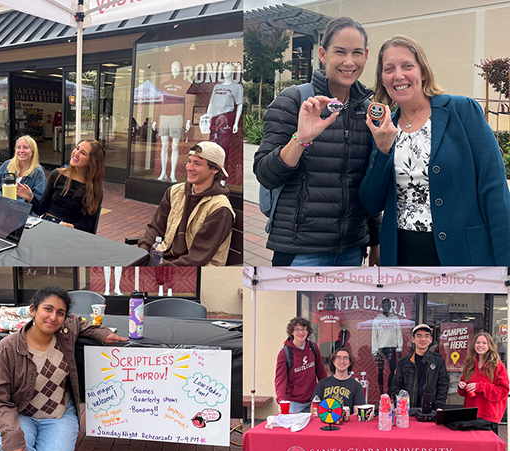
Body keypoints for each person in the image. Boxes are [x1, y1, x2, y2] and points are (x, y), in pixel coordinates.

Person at [360, 35, 510, 266]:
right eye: (389, 69)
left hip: (463, 257)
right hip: (401, 259)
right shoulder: (383, 128)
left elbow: (494, 189)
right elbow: (372, 203)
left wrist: (506, 263)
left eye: (407, 66)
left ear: (422, 72)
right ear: (382, 79)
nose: (398, 75)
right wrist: (382, 150)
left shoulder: (461, 111)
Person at [0, 286, 127, 451]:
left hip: (60, 413)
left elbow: (81, 323)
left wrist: (103, 334)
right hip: (22, 413)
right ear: (33, 310)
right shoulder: (8, 348)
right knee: (16, 443)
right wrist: (12, 436)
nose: (53, 317)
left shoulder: (65, 331)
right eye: (47, 309)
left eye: (60, 312)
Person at [254, 17, 379, 267]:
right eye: (339, 52)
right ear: (322, 54)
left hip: (352, 250)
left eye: (356, 53)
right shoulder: (294, 101)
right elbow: (266, 174)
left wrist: (375, 242)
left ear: (365, 56)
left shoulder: (368, 111)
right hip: (300, 251)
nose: (349, 62)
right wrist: (300, 139)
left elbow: (368, 185)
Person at [138, 141, 234, 266]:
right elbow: (156, 227)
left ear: (215, 169)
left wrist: (159, 267)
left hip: (191, 269)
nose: (189, 167)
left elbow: (198, 257)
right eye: (189, 161)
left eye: (197, 163)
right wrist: (142, 252)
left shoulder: (220, 208)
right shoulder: (174, 191)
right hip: (162, 259)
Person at [17, 140, 104, 234]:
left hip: (69, 233)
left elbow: (86, 226)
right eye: (77, 148)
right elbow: (41, 209)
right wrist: (31, 198)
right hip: (46, 224)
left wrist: (70, 226)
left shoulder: (94, 189)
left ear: (92, 161)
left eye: (83, 153)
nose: (76, 153)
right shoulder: (57, 175)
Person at [457, 332, 508, 434]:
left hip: (488, 416)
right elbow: (462, 392)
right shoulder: (470, 364)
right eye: (478, 342)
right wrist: (461, 387)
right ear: (473, 345)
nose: (480, 345)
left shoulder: (497, 365)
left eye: (484, 343)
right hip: (470, 415)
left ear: (489, 346)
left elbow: (503, 391)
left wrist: (480, 387)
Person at [389, 324, 449, 410]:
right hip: (407, 411)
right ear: (413, 339)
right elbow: (396, 386)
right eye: (419, 336)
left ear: (430, 340)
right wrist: (399, 405)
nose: (423, 339)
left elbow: (443, 386)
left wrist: (439, 407)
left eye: (426, 336)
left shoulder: (438, 361)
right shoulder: (404, 362)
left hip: (431, 411)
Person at [274, 317, 326, 413]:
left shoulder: (313, 347)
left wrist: (326, 391)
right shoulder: (285, 353)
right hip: (294, 401)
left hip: (313, 399)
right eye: (297, 329)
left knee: (314, 426)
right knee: (294, 427)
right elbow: (280, 379)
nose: (301, 333)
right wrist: (281, 400)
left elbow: (321, 372)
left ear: (308, 331)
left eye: (303, 329)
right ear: (292, 332)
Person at [0, 135, 46, 204]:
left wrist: (27, 198)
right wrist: (2, 199)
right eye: (18, 147)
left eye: (25, 147)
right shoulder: (7, 165)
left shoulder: (38, 172)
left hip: (23, 212)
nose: (21, 151)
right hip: (2, 209)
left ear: (33, 151)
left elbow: (40, 200)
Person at [312, 347, 366, 412]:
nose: (342, 361)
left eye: (345, 358)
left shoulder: (357, 386)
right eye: (338, 358)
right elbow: (313, 410)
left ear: (350, 362)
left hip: (347, 421)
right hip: (325, 421)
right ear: (333, 361)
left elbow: (357, 413)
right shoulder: (322, 383)